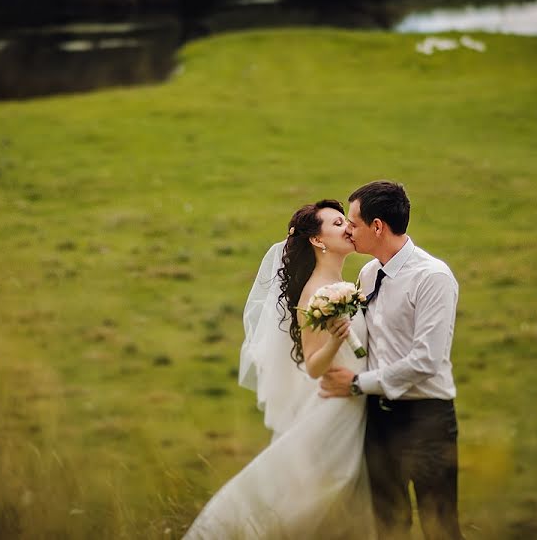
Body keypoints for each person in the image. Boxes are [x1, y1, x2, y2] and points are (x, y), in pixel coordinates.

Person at [184, 200, 376, 539]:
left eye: (346, 221)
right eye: (336, 224)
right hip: (335, 406)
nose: (347, 227)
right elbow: (314, 366)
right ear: (317, 241)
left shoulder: (350, 284)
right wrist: (335, 340)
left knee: (336, 501)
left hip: (357, 398)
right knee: (311, 497)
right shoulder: (314, 295)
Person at [321, 181, 464, 540]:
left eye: (352, 223)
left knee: (440, 528)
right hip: (379, 421)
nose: (348, 231)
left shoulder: (433, 277)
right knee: (389, 527)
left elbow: (426, 360)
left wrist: (356, 384)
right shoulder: (368, 274)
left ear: (377, 226)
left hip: (426, 417)